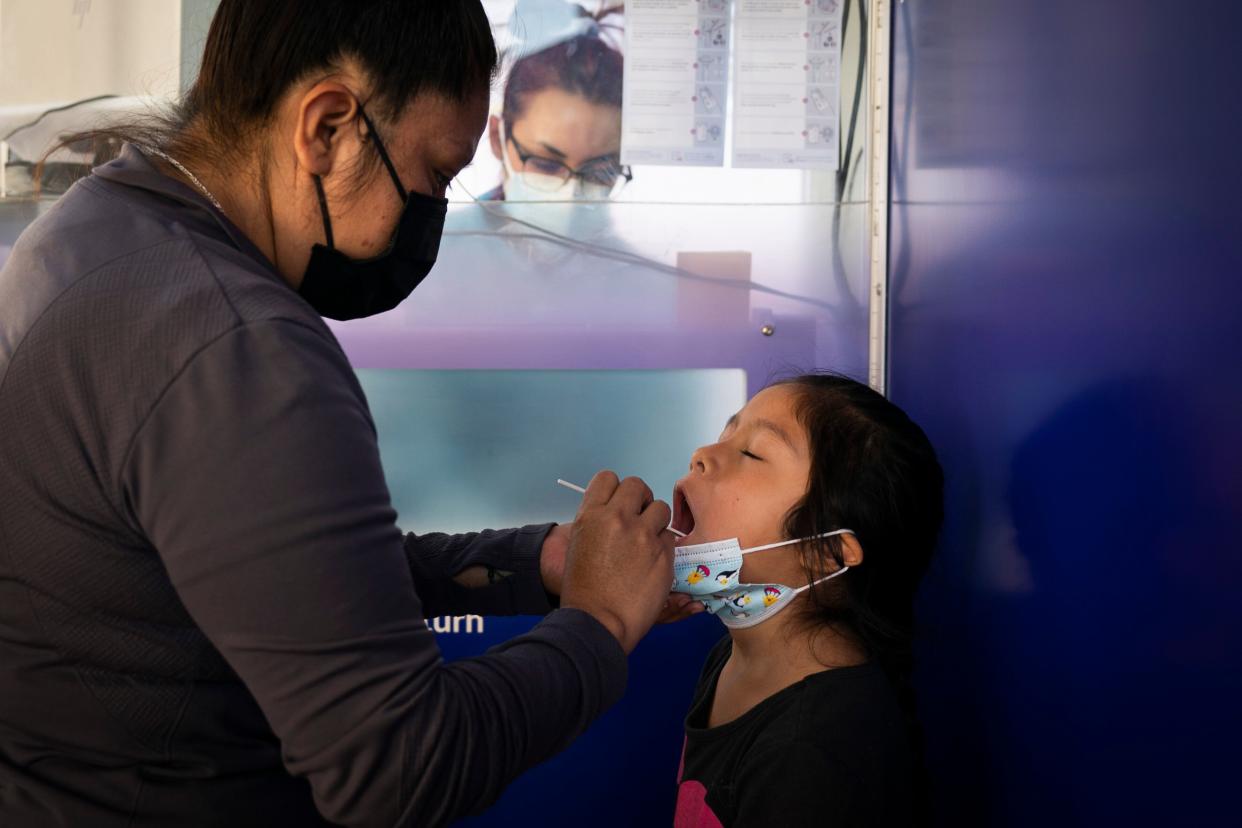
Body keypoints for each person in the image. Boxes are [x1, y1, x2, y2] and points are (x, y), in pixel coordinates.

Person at [0, 2, 690, 826]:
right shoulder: (238, 346)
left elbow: (278, 572)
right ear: (327, 127)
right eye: (434, 176)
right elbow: (399, 770)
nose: (432, 212)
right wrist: (602, 621)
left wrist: (532, 560)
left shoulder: (91, 229)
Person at [668, 374, 944, 826]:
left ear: (823, 551)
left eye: (752, 453)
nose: (701, 455)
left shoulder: (811, 753)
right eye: (724, 434)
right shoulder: (732, 655)